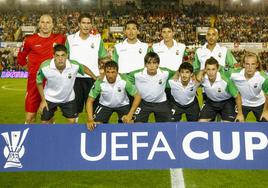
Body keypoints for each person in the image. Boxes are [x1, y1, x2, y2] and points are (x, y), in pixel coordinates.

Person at [17, 14, 66, 124]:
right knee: (30, 117)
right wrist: (32, 71)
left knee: (48, 119)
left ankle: (49, 140)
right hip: (34, 84)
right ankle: (29, 140)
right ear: (39, 24)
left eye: (48, 22)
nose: (45, 25)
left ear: (52, 25)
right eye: (43, 22)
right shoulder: (29, 40)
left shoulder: (59, 38)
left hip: (51, 84)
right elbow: (20, 59)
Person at [36, 44, 96, 124]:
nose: (60, 59)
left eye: (63, 55)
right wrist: (43, 100)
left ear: (67, 55)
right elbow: (39, 82)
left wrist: (93, 76)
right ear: (53, 56)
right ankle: (51, 125)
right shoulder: (45, 67)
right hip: (50, 98)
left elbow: (83, 67)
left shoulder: (74, 65)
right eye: (57, 55)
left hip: (68, 98)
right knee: (44, 122)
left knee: (72, 122)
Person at [66, 13, 107, 121]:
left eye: (88, 23)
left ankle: (95, 137)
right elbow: (64, 58)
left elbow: (104, 58)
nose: (86, 26)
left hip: (93, 79)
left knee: (95, 115)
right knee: (73, 116)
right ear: (79, 24)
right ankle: (74, 136)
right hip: (75, 79)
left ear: (92, 24)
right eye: (83, 23)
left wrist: (105, 73)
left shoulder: (97, 39)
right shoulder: (70, 39)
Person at [86, 61, 141, 131]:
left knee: (130, 123)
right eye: (108, 72)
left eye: (113, 72)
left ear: (117, 72)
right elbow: (89, 101)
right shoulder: (99, 82)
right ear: (105, 72)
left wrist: (130, 114)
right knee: (95, 125)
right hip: (105, 105)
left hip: (123, 105)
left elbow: (137, 96)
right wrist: (90, 119)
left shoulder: (124, 80)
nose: (110, 75)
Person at [128, 52, 175, 122]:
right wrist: (133, 90)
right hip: (144, 103)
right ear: (145, 65)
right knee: (137, 124)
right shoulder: (137, 74)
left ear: (158, 64)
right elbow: (124, 78)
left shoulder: (165, 73)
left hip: (161, 102)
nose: (152, 66)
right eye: (149, 63)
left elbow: (177, 72)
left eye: (154, 63)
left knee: (168, 125)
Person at [198, 57, 244, 122]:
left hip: (227, 102)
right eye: (208, 69)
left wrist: (240, 113)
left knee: (227, 125)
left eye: (213, 69)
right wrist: (200, 72)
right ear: (205, 69)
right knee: (201, 122)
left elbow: (237, 96)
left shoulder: (225, 81)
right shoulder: (202, 78)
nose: (211, 72)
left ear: (218, 69)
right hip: (211, 102)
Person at [230, 52, 268, 122]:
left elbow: (267, 94)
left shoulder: (263, 77)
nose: (250, 67)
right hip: (242, 103)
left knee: (265, 124)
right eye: (247, 64)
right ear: (243, 64)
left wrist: (266, 111)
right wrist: (202, 72)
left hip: (259, 103)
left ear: (257, 65)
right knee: (236, 124)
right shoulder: (234, 74)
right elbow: (221, 71)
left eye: (253, 64)